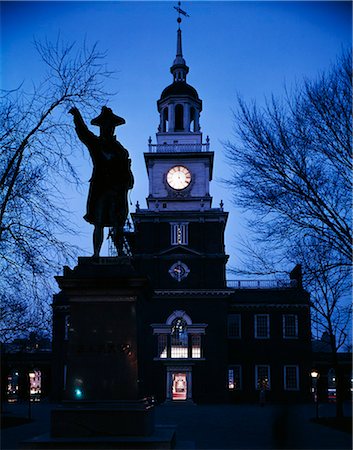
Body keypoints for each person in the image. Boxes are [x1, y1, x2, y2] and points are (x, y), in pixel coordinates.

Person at [69, 106, 134, 257]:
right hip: (101, 190)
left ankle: (119, 253)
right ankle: (96, 254)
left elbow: (127, 171)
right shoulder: (96, 144)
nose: (107, 129)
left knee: (117, 224)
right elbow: (83, 133)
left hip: (117, 191)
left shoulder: (120, 150)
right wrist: (77, 117)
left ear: (113, 128)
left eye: (110, 126)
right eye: (105, 126)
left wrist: (128, 181)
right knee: (98, 222)